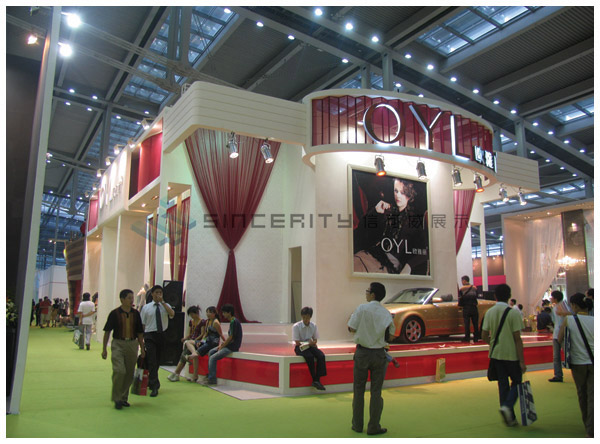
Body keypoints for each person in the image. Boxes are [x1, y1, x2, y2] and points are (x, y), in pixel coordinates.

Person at [353, 177, 429, 276]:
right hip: (372, 255)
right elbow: (362, 229)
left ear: (409, 195)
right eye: (396, 191)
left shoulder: (414, 220)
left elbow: (424, 251)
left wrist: (408, 266)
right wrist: (375, 211)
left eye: (403, 192)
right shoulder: (388, 211)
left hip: (388, 265)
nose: (398, 195)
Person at [347, 282, 395, 435]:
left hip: (362, 353)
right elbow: (391, 336)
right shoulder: (386, 313)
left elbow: (351, 328)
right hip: (379, 354)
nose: (366, 293)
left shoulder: (362, 308)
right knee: (376, 391)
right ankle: (374, 426)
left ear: (373, 294)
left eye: (367, 291)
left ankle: (357, 425)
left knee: (358, 390)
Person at [482, 283, 526, 427]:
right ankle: (508, 407)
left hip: (496, 354)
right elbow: (517, 339)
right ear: (509, 296)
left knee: (502, 384)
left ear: (495, 296)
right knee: (517, 382)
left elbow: (484, 335)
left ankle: (509, 417)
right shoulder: (513, 313)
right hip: (511, 354)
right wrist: (522, 361)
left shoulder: (490, 312)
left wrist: (492, 343)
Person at [101, 289, 145, 410]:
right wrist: (104, 349)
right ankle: (117, 398)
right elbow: (107, 331)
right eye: (129, 298)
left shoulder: (136, 314)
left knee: (129, 373)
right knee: (119, 370)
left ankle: (123, 398)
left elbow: (140, 333)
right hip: (118, 344)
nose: (131, 300)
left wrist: (142, 348)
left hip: (132, 344)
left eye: (132, 298)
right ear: (122, 299)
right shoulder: (114, 314)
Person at [558, 293, 594, 438]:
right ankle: (592, 429)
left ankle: (588, 426)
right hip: (594, 362)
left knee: (582, 394)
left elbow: (559, 339)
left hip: (578, 362)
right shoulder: (595, 320)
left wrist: (567, 349)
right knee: (593, 396)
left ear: (574, 306)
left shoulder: (569, 320)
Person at [140, 285, 175, 397]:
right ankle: (154, 386)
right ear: (152, 294)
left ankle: (152, 380)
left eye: (160, 292)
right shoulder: (146, 308)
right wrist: (141, 340)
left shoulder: (166, 306)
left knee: (158, 360)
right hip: (150, 335)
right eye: (156, 292)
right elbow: (142, 324)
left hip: (162, 335)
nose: (159, 294)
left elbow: (172, 314)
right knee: (152, 360)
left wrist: (163, 302)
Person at [204, 304, 242, 386]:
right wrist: (222, 345)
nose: (223, 314)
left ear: (229, 312)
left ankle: (212, 379)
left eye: (224, 312)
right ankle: (210, 374)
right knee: (211, 352)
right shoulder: (232, 321)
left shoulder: (234, 321)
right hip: (229, 345)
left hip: (232, 347)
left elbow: (231, 337)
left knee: (213, 358)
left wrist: (222, 346)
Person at [167, 306, 206, 382]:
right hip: (191, 342)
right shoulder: (191, 322)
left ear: (197, 313)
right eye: (190, 314)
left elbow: (202, 334)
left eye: (192, 314)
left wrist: (195, 340)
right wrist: (185, 338)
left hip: (198, 342)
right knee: (185, 352)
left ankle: (176, 373)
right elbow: (190, 333)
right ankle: (178, 373)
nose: (191, 316)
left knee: (184, 353)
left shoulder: (202, 322)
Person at [292, 306, 327, 390]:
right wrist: (309, 343)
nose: (305, 319)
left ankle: (317, 379)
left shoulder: (313, 326)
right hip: (300, 347)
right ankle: (315, 379)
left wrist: (312, 343)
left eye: (307, 317)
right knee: (309, 357)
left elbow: (315, 340)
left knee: (321, 355)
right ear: (301, 316)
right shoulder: (296, 326)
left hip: (310, 346)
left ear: (310, 317)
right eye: (304, 317)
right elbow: (297, 342)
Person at [549, 290, 565, 382]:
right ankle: (558, 375)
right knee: (557, 356)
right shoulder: (558, 307)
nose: (551, 299)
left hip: (560, 333)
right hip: (557, 333)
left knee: (557, 356)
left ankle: (558, 375)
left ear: (555, 298)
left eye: (552, 297)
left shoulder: (561, 306)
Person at [458, 276, 479, 343]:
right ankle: (476, 338)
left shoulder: (462, 289)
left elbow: (460, 299)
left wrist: (460, 306)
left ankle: (467, 337)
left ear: (464, 280)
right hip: (474, 307)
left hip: (466, 308)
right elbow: (476, 296)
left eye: (462, 281)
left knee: (467, 324)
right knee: (475, 323)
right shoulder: (474, 288)